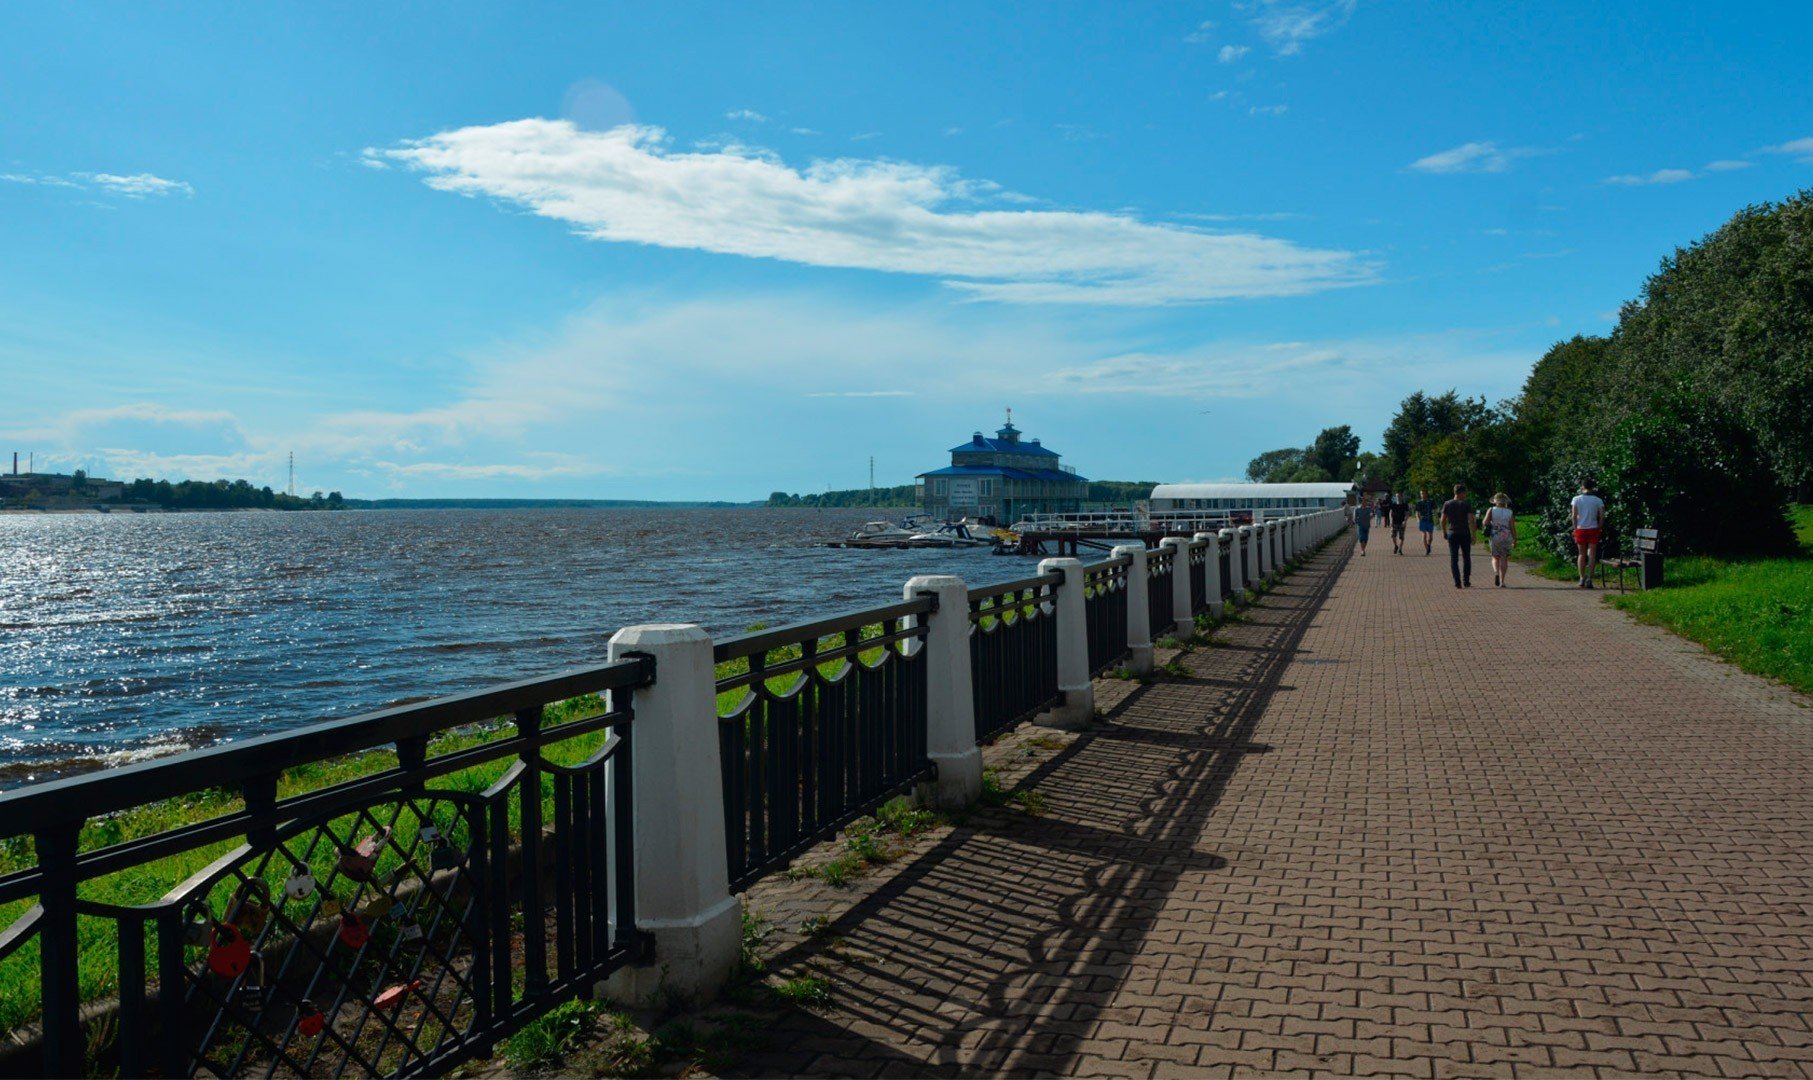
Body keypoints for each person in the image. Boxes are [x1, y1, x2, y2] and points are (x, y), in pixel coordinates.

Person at [1571, 478, 1607, 588]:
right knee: (1592, 554)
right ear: (1592, 487)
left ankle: (1581, 577)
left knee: (1581, 554)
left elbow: (1573, 515)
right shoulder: (1597, 500)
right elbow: (1602, 516)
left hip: (1581, 529)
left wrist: (1575, 528)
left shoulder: (1576, 499)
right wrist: (1599, 527)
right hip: (1593, 528)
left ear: (1582, 487)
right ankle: (1590, 579)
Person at [1440, 483, 1476, 588]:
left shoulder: (1447, 504)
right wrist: (1473, 535)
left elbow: (1442, 520)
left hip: (1452, 533)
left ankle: (1457, 582)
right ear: (1461, 493)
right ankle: (1466, 581)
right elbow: (1471, 521)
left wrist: (1444, 532)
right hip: (1464, 533)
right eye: (1465, 493)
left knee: (1454, 558)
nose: (1465, 495)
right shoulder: (1466, 504)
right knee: (1466, 557)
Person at [1482, 492, 1515, 587]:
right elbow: (1512, 527)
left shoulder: (1491, 510)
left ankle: (1496, 572)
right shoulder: (1510, 512)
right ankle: (1502, 581)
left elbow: (1485, 522)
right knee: (1504, 558)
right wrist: (1514, 539)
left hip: (1495, 535)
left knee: (1495, 557)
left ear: (1495, 501)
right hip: (1506, 535)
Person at [1415, 489, 1436, 555]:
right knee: (1424, 535)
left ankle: (1429, 545)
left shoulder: (1431, 501)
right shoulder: (1419, 502)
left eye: (1423, 493)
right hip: (1423, 520)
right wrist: (1418, 519)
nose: (1422, 495)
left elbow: (1435, 509)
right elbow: (1417, 512)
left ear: (1426, 494)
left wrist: (1436, 516)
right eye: (1421, 494)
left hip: (1430, 520)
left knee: (1430, 537)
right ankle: (1426, 549)